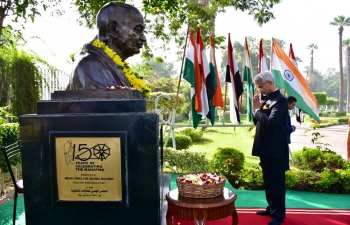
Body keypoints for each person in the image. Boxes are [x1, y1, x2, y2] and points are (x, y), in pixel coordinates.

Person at [66, 2, 147, 91]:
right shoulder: (90, 66)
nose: (143, 38)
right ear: (113, 29)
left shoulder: (112, 64)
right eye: (138, 30)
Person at [252, 71, 288, 225]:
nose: (259, 90)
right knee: (268, 180)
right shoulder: (266, 99)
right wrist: (257, 110)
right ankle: (271, 208)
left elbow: (271, 122)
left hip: (276, 149)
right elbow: (259, 122)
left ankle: (279, 214)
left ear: (270, 83)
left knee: (277, 182)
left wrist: (257, 110)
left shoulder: (281, 100)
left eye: (261, 87)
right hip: (264, 147)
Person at [286, 96, 297, 170]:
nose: (293, 107)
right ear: (288, 103)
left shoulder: (285, 112)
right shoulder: (284, 113)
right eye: (292, 105)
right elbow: (285, 127)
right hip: (283, 139)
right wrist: (292, 128)